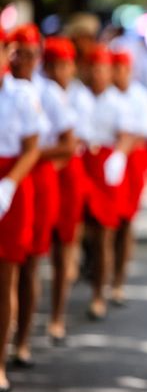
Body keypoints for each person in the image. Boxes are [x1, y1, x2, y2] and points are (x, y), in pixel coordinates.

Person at [8, 26, 77, 365]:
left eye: (31, 53)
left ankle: (23, 339)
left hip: (36, 178)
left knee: (30, 262)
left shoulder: (46, 93)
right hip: (13, 172)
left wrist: (32, 153)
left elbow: (67, 143)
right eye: (17, 52)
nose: (23, 60)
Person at [80, 45, 136, 319]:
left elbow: (126, 134)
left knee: (105, 232)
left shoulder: (118, 101)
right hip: (81, 162)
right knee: (77, 231)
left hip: (105, 164)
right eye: (91, 68)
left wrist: (118, 156)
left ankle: (99, 293)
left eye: (101, 68)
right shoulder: (78, 97)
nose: (96, 74)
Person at [0, 28, 41, 392]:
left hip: (11, 182)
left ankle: (1, 359)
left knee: (7, 277)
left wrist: (9, 183)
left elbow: (32, 147)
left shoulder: (22, 95)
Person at [110, 48, 147, 305]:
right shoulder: (105, 95)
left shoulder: (140, 96)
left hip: (132, 161)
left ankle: (118, 280)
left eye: (122, 69)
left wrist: (125, 147)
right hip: (108, 158)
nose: (118, 74)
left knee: (127, 221)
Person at [41, 36, 83, 344]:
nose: (59, 71)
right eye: (52, 65)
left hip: (67, 175)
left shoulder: (79, 96)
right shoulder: (40, 92)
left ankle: (57, 316)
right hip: (42, 173)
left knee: (63, 246)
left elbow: (71, 144)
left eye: (64, 65)